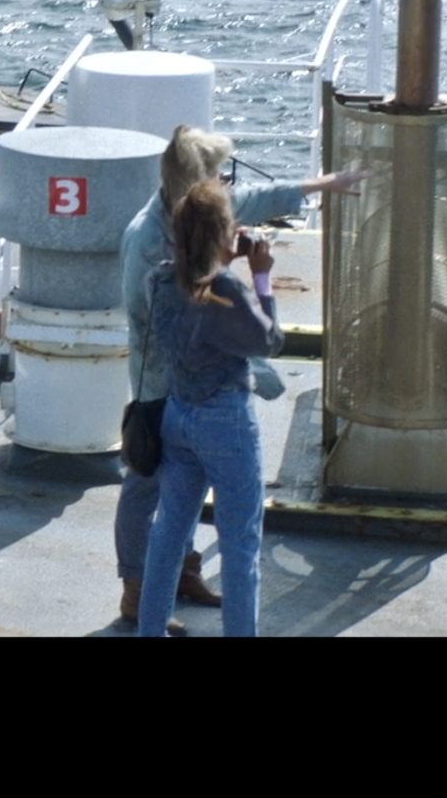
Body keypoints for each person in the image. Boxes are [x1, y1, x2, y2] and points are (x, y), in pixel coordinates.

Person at [115, 126, 366, 631]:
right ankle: (135, 590)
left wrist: (322, 184)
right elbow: (267, 339)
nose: (227, 186)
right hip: (180, 396)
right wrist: (254, 279)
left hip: (181, 401)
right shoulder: (161, 250)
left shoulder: (168, 267)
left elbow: (169, 304)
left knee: (171, 524)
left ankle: (168, 594)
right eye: (217, 176)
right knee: (215, 528)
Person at [136, 180, 282, 638]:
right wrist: (261, 277)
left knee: (168, 535)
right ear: (223, 233)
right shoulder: (226, 291)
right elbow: (269, 340)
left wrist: (218, 257)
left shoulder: (158, 280)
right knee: (240, 546)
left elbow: (194, 297)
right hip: (226, 424)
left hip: (178, 416)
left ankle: (149, 631)